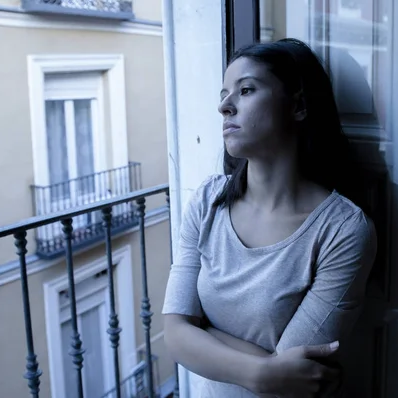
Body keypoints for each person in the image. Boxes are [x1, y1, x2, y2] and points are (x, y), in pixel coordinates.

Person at [162, 38, 378, 397]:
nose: (224, 107)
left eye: (245, 90)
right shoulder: (207, 200)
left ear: (298, 106)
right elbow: (173, 332)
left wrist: (199, 330)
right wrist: (265, 371)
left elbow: (295, 379)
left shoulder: (342, 229)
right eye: (224, 93)